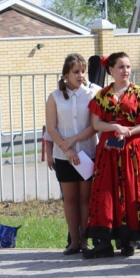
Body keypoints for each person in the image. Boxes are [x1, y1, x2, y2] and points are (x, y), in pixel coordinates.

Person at [84, 52, 140, 258]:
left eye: (128, 66)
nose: (125, 71)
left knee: (130, 191)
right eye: (121, 67)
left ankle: (128, 240)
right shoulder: (102, 95)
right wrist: (115, 126)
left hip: (132, 150)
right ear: (111, 70)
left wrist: (128, 131)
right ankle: (105, 240)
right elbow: (96, 123)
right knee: (106, 192)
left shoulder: (139, 93)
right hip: (108, 150)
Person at [45, 54, 100, 255]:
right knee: (70, 199)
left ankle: (85, 241)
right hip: (64, 157)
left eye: (83, 71)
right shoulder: (54, 97)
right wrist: (66, 149)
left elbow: (94, 126)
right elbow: (51, 128)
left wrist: (74, 141)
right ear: (66, 73)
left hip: (87, 154)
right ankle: (74, 242)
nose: (80, 75)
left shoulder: (93, 93)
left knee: (86, 198)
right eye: (76, 71)